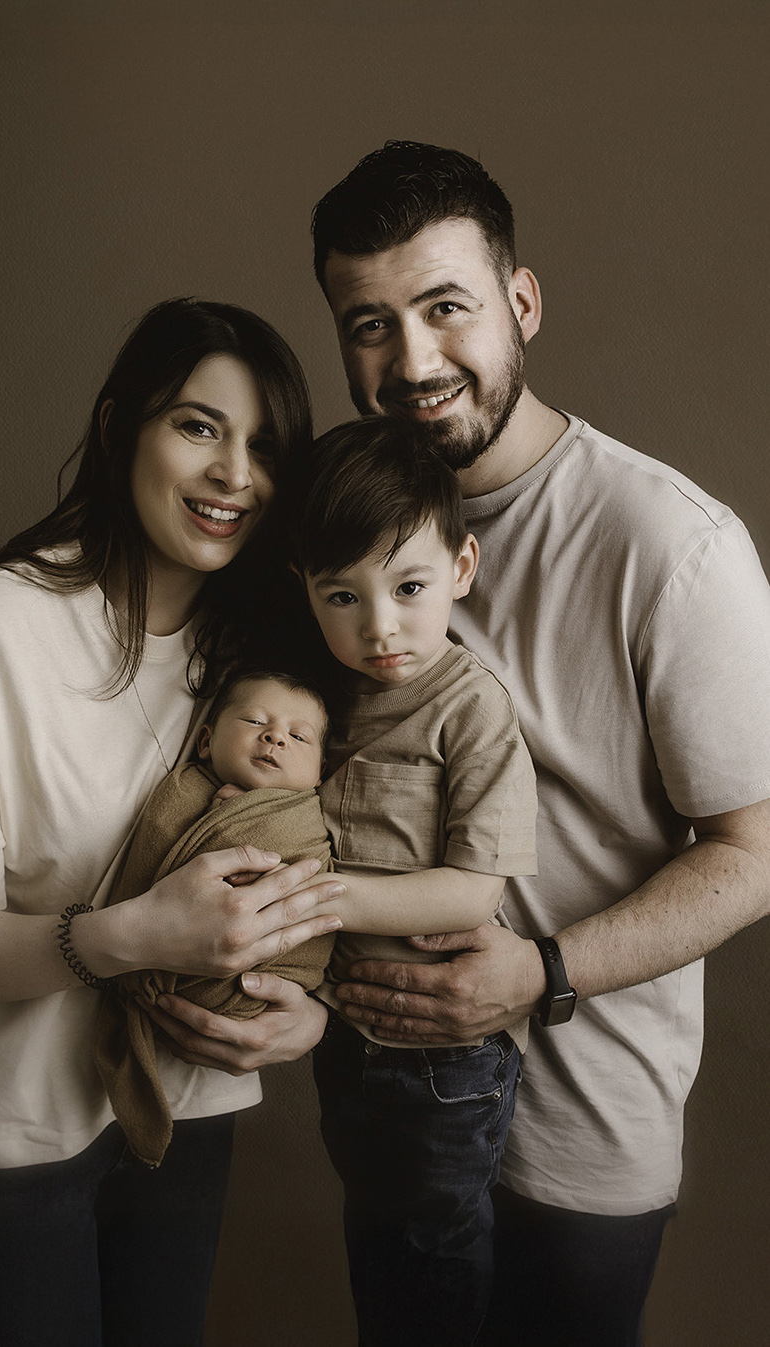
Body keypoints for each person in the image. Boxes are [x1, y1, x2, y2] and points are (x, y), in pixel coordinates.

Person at [303, 141, 770, 1345]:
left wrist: (542, 971)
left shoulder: (673, 549)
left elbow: (755, 851)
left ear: (521, 304)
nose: (412, 361)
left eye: (445, 307)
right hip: (392, 1098)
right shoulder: (346, 533)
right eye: (370, 324)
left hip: (580, 1131)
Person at [0, 297, 345, 1347]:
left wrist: (308, 1006)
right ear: (117, 425)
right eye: (197, 426)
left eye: (263, 445)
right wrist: (123, 936)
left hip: (182, 1126)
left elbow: (330, 866)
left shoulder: (270, 660)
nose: (233, 474)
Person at [288, 415, 537, 1346]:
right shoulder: (324, 696)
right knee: (378, 1246)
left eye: (410, 586)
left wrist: (328, 898)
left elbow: (475, 892)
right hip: (348, 1036)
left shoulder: (471, 707)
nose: (380, 624)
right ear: (305, 594)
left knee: (436, 1258)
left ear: (462, 570)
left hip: (446, 1062)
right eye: (342, 596)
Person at [95, 670, 336, 1168]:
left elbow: (312, 886)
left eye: (298, 736)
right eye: (255, 721)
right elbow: (151, 867)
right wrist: (213, 824)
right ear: (205, 740)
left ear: (319, 772)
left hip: (257, 989)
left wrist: (241, 826)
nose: (275, 737)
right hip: (138, 964)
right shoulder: (180, 793)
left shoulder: (312, 822)